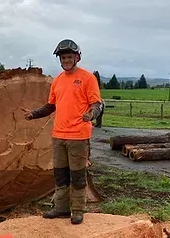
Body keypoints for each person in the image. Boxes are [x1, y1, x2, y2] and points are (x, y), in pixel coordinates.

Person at [21, 39, 102, 225]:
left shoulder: (88, 78)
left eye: (69, 57)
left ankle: (78, 210)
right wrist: (33, 114)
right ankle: (61, 208)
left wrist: (92, 114)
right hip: (59, 135)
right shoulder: (57, 80)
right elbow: (51, 106)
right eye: (63, 57)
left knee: (78, 175)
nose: (66, 60)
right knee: (60, 174)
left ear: (77, 57)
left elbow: (96, 103)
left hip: (79, 136)